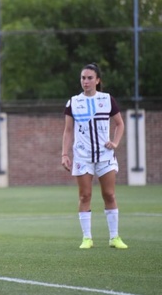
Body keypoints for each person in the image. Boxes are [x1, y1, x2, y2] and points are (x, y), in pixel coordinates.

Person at [61, 63, 128, 250]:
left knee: (109, 194)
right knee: (85, 196)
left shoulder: (107, 100)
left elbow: (120, 124)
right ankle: (87, 238)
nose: (86, 81)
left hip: (105, 156)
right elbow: (67, 131)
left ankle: (114, 237)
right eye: (83, 78)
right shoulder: (73, 102)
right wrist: (65, 154)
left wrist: (114, 143)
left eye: (90, 78)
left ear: (97, 80)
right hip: (82, 157)